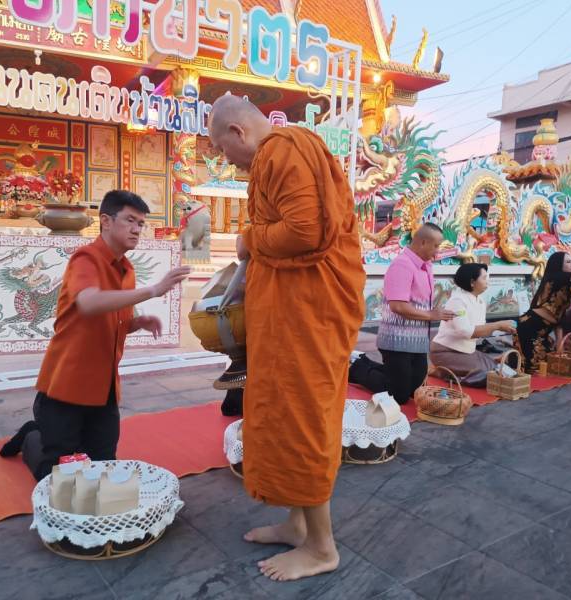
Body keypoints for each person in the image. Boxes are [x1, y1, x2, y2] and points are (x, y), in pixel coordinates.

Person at [209, 95, 365, 582]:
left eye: (221, 149)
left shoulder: (283, 150)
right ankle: (299, 524)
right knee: (283, 411)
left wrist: (249, 240)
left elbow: (305, 230)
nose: (225, 161)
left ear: (237, 132)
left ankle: (322, 547)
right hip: (292, 315)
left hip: (309, 316)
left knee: (301, 416)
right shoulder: (280, 153)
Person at [3, 191, 190, 480]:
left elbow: (112, 323)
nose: (137, 229)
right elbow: (88, 303)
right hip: (66, 385)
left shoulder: (126, 269)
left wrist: (137, 322)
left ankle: (43, 432)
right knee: (57, 474)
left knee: (103, 467)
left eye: (141, 223)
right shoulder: (86, 259)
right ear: (105, 221)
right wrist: (153, 290)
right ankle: (32, 436)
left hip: (104, 388)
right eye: (130, 220)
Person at [376, 223, 455, 404]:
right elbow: (398, 306)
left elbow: (419, 302)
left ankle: (389, 373)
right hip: (397, 341)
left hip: (417, 341)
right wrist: (432, 315)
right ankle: (358, 368)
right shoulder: (402, 265)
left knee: (415, 391)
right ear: (422, 242)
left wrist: (438, 312)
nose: (437, 252)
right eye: (435, 246)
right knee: (399, 396)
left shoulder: (426, 266)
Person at [429, 263, 517, 387]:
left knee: (498, 368)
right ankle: (443, 372)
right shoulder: (457, 301)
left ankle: (449, 372)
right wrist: (497, 325)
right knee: (489, 374)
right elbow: (465, 332)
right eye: (484, 278)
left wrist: (503, 328)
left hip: (467, 351)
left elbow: (481, 330)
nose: (488, 282)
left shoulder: (480, 302)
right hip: (445, 352)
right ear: (472, 282)